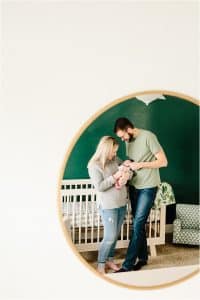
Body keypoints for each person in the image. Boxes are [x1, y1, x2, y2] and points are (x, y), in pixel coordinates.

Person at [114, 117, 168, 272]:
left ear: (128, 128)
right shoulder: (128, 141)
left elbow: (163, 162)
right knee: (138, 225)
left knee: (138, 224)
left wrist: (140, 165)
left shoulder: (148, 137)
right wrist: (127, 163)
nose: (122, 139)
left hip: (148, 186)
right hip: (134, 185)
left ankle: (127, 265)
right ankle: (143, 258)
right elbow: (133, 159)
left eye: (122, 135)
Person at [87, 136, 133, 274]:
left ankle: (110, 260)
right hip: (108, 206)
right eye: (113, 151)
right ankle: (101, 263)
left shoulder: (115, 160)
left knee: (115, 234)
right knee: (110, 236)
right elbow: (100, 186)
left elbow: (128, 170)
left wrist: (126, 176)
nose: (115, 154)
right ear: (106, 150)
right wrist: (115, 177)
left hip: (121, 203)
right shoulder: (94, 165)